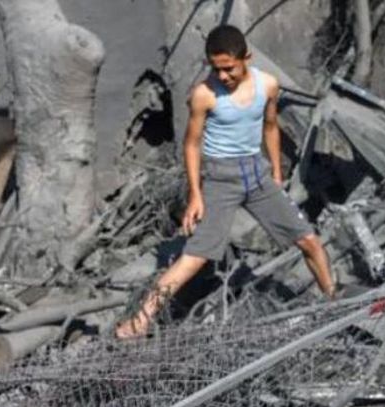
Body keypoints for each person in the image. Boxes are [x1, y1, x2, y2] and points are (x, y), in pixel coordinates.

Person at [116, 25, 335, 338]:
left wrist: (276, 171)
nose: (223, 76)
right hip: (221, 180)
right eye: (216, 68)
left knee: (309, 241)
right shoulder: (204, 95)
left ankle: (333, 302)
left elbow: (270, 126)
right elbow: (191, 145)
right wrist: (196, 194)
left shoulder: (268, 85)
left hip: (257, 174)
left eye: (229, 68)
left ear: (246, 58)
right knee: (195, 257)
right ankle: (139, 322)